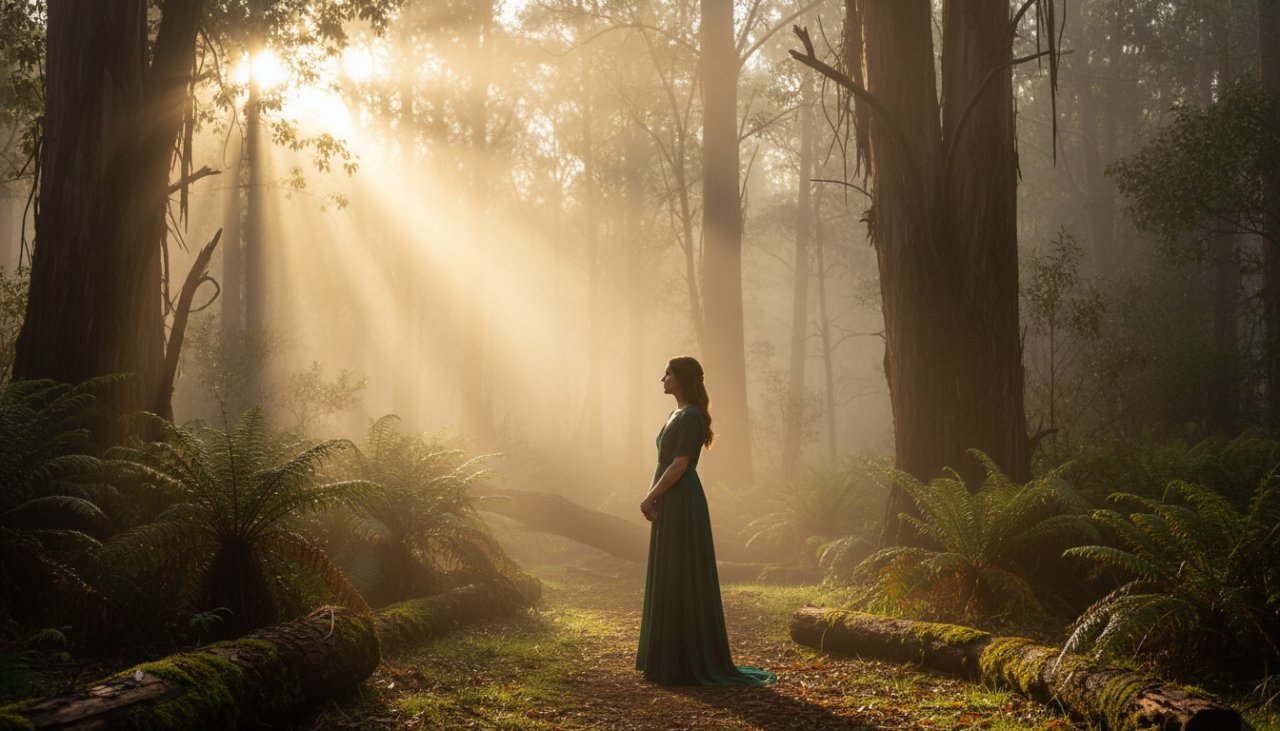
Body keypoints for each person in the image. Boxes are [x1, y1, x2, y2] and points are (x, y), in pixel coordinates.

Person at [635, 355, 776, 686]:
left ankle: (685, 661)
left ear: (682, 379)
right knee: (671, 571)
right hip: (671, 497)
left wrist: (650, 495)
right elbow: (669, 464)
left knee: (682, 572)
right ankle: (669, 658)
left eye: (668, 374)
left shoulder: (692, 417)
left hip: (682, 500)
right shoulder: (677, 414)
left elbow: (680, 465)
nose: (662, 379)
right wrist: (654, 495)